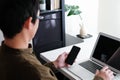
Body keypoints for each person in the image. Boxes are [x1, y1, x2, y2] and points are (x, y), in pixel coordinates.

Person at [0, 0, 114, 80]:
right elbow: (35, 73)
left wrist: (55, 64)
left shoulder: (5, 54)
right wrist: (100, 78)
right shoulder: (35, 72)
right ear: (29, 23)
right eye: (39, 17)